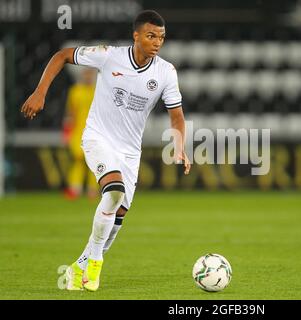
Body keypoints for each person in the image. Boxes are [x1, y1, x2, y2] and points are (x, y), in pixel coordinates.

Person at [21, 10, 191, 292]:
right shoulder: (108, 55)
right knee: (113, 192)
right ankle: (97, 262)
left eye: (161, 37)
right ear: (136, 35)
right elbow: (62, 55)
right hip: (98, 138)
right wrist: (40, 91)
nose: (157, 42)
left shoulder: (166, 72)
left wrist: (179, 144)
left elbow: (177, 116)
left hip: (129, 152)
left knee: (116, 217)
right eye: (151, 36)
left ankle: (79, 267)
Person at [63, 68, 98, 200]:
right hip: (78, 132)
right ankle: (75, 188)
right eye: (86, 74)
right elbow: (70, 113)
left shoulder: (98, 91)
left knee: (93, 162)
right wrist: (67, 132)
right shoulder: (75, 91)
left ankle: (92, 190)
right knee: (78, 159)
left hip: (94, 132)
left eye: (90, 74)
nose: (88, 77)